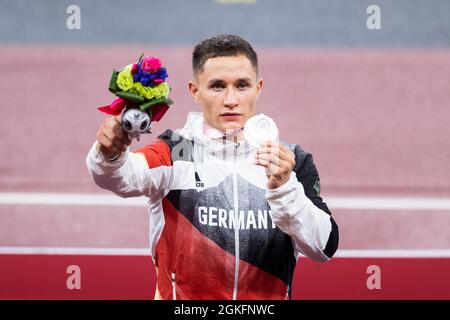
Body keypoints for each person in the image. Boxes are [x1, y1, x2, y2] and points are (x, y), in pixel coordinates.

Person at [86, 34, 339, 300]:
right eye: (217, 86)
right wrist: (108, 152)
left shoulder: (290, 161)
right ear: (195, 91)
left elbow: (323, 247)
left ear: (258, 87)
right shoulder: (175, 151)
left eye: (242, 85)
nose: (231, 99)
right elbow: (119, 177)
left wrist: (285, 190)